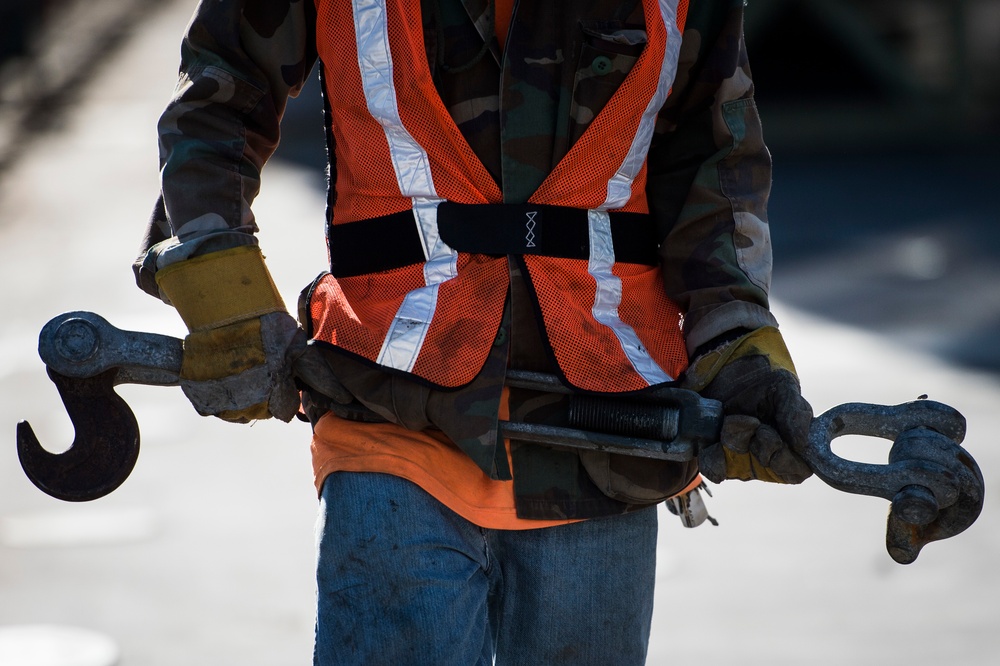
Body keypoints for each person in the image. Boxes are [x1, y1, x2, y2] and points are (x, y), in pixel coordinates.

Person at [134, 0, 814, 663]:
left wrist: (737, 343)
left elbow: (713, 154)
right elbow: (218, 99)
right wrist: (223, 294)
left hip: (607, 439)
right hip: (391, 418)